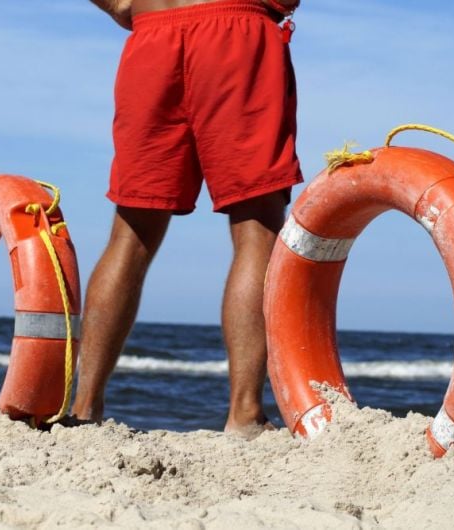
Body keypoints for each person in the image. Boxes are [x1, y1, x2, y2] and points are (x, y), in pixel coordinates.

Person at [73, 0, 303, 439]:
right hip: (237, 31)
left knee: (131, 231)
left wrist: (123, 5)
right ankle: (245, 414)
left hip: (152, 34)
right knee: (257, 228)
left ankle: (85, 410)